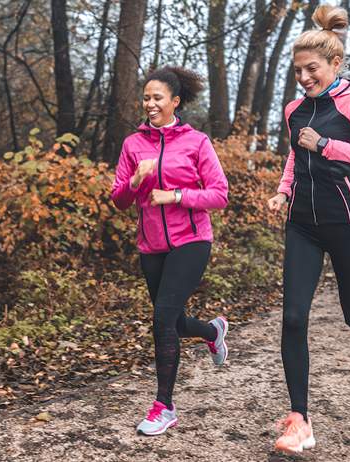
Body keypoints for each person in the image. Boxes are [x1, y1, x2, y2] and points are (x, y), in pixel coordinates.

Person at [267, 4, 350, 455]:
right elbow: (292, 157)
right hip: (302, 224)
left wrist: (327, 145)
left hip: (349, 224)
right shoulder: (294, 110)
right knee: (293, 318)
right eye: (298, 70)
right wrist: (283, 192)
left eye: (312, 68)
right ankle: (299, 420)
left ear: (335, 64)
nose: (303, 77)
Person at [111, 66, 229, 436]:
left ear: (174, 102)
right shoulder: (133, 145)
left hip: (191, 241)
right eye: (146, 97)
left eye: (157, 97)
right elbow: (119, 201)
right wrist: (135, 181)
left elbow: (219, 194)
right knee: (173, 322)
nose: (149, 104)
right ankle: (212, 331)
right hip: (151, 246)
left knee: (162, 320)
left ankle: (164, 406)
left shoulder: (196, 142)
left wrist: (176, 195)